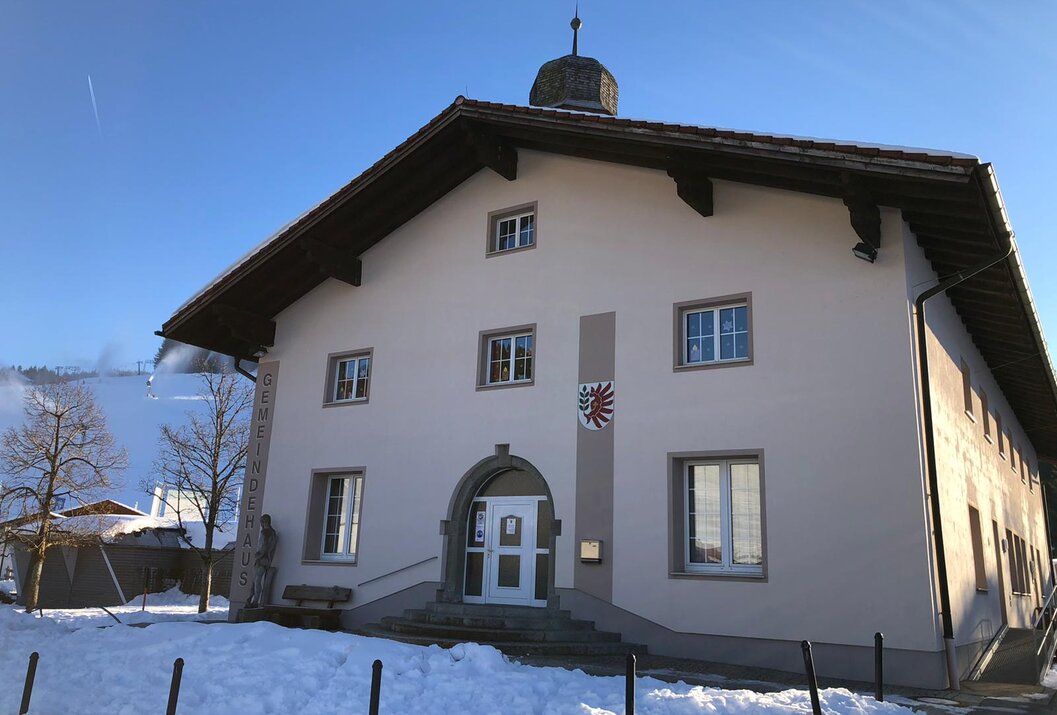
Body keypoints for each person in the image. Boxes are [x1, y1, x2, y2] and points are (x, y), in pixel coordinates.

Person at [247, 514, 278, 608]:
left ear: (264, 522)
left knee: (257, 580)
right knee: (254, 580)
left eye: (262, 521)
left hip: (262, 560)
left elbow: (264, 546)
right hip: (264, 559)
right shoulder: (271, 532)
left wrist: (258, 555)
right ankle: (251, 598)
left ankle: (255, 601)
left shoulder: (267, 532)